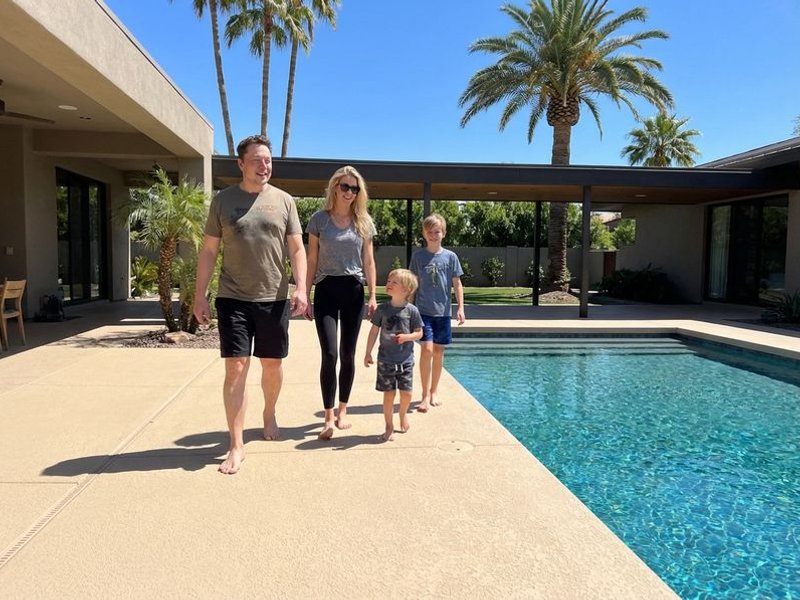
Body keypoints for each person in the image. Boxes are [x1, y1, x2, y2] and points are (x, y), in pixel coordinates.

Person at [193, 134, 307, 475]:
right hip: (233, 297)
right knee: (236, 367)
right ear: (241, 164)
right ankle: (236, 444)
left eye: (268, 160)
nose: (264, 166)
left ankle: (269, 412)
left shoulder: (285, 201)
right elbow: (209, 250)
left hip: (274, 297)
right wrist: (200, 295)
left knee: (271, 365)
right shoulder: (223, 201)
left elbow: (297, 249)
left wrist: (301, 288)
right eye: (257, 160)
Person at [305, 165, 377, 440]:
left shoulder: (363, 222)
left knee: (347, 354)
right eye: (345, 186)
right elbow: (311, 259)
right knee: (330, 354)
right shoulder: (319, 220)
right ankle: (327, 417)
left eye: (354, 188)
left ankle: (342, 410)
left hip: (353, 291)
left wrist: (372, 296)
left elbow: (369, 261)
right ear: (335, 187)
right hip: (326, 288)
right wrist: (306, 293)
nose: (349, 192)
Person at [409, 213, 465, 412]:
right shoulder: (418, 256)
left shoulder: (450, 257)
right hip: (423, 311)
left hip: (443, 313)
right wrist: (408, 309)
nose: (433, 235)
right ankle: (424, 395)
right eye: (430, 232)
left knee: (439, 353)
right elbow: (412, 284)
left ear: (444, 233)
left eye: (437, 231)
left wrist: (460, 308)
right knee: (427, 350)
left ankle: (434, 391)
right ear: (424, 233)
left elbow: (457, 284)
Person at [364, 269, 423, 441]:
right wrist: (368, 352)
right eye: (389, 281)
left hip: (405, 360)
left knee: (407, 393)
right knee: (388, 394)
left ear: (406, 290)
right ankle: (389, 426)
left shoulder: (412, 311)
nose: (389, 284)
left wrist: (407, 337)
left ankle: (403, 414)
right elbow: (374, 332)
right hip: (386, 360)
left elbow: (419, 333)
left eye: (394, 282)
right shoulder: (382, 309)